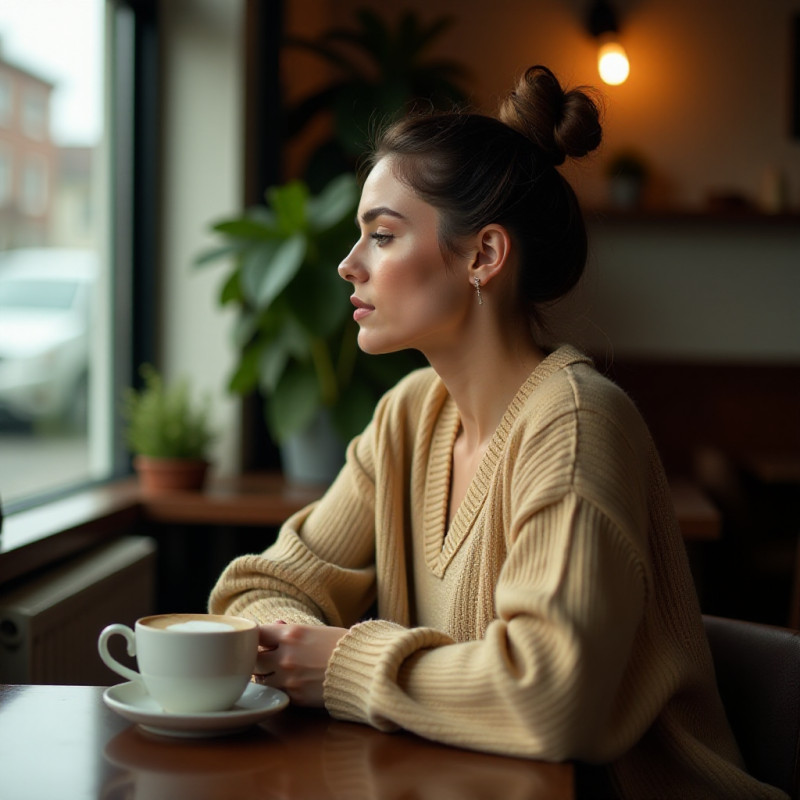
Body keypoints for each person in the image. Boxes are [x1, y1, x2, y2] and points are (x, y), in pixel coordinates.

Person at [209, 66, 786, 799]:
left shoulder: (576, 424)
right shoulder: (409, 416)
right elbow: (257, 588)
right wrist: (299, 642)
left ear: (483, 256)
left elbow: (550, 697)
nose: (348, 265)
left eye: (382, 236)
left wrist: (342, 663)